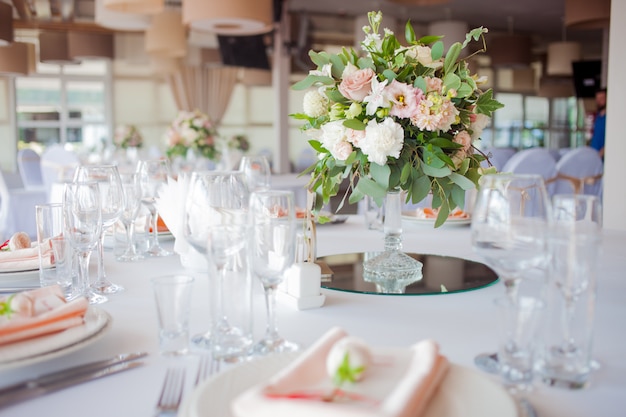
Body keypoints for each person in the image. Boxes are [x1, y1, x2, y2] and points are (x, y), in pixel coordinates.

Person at [590, 88, 607, 159]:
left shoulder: (611, 118)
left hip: (603, 158)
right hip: (594, 155)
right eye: (597, 99)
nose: (599, 101)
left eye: (601, 98)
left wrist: (603, 151)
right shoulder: (598, 116)